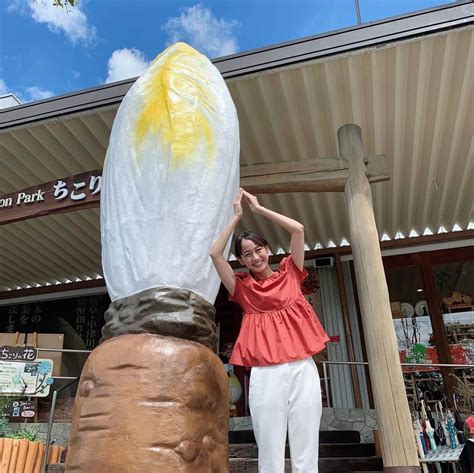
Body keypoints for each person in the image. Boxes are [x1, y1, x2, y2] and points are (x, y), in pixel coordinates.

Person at [209, 188, 329, 473]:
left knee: (306, 445)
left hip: (302, 366)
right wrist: (236, 216)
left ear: (267, 250)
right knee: (270, 448)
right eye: (247, 254)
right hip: (265, 372)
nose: (255, 257)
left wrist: (259, 209)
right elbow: (215, 254)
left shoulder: (290, 273)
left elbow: (298, 230)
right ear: (242, 261)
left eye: (258, 249)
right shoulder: (243, 288)